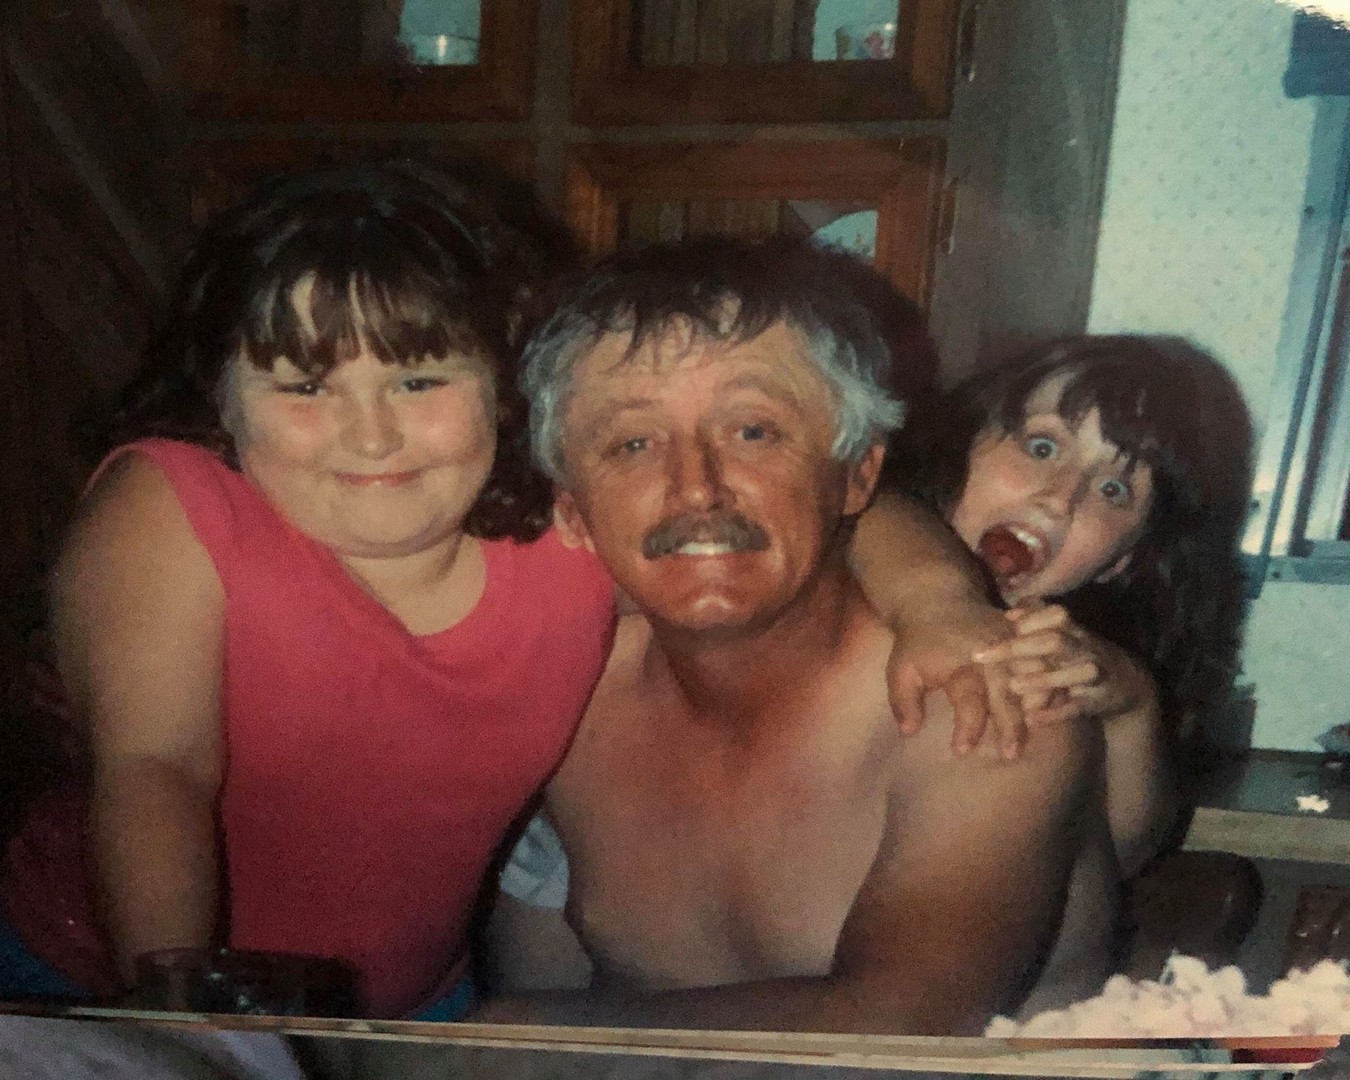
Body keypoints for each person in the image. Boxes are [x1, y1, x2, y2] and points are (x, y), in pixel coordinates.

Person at [0, 163, 1026, 1020]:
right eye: (305, 386)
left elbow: (812, 508)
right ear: (221, 398)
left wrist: (944, 606)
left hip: (418, 1013)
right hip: (99, 991)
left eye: (419, 380)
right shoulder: (173, 506)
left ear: (501, 381)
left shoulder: (562, 529)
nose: (371, 436)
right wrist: (186, 1026)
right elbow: (158, 772)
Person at [476, 237, 1118, 1035]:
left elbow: (901, 1027)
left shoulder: (982, 695)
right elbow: (537, 995)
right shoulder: (570, 692)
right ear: (573, 512)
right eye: (633, 444)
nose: (696, 488)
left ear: (857, 475)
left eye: (754, 431)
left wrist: (503, 1037)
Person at [905, 335, 1253, 877]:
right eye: (1042, 448)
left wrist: (1134, 706)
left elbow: (1119, 856)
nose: (1059, 499)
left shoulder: (1064, 676)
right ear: (963, 445)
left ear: (1122, 559)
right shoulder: (862, 542)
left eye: (1113, 489)